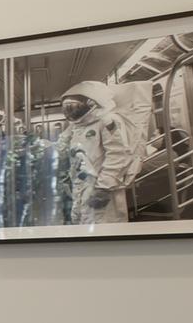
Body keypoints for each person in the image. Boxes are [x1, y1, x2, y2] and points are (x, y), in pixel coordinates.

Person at [57, 81, 138, 225]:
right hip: (81, 184)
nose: (71, 112)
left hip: (102, 186)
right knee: (82, 222)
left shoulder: (107, 121)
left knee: (104, 226)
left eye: (75, 107)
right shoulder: (76, 126)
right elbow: (62, 146)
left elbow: (118, 155)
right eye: (67, 108)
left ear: (92, 103)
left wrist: (104, 187)